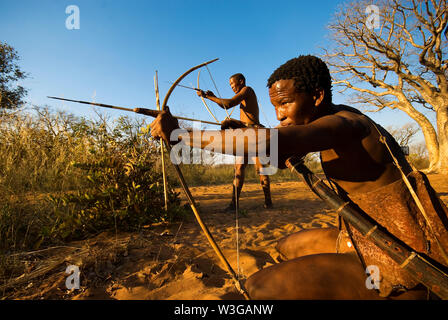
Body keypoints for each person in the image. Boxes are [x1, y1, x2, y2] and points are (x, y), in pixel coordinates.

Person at [150, 55, 448, 299]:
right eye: (275, 106)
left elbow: (271, 144)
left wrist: (181, 135)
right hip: (364, 236)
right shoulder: (333, 118)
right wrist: (244, 134)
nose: (279, 115)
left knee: (258, 288)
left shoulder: (345, 125)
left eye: (285, 103)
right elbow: (279, 152)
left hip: (400, 262)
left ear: (317, 96)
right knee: (286, 246)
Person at [197, 73, 273, 211]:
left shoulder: (247, 90)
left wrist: (208, 96)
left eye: (233, 84)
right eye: (230, 85)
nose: (232, 87)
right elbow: (243, 120)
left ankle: (268, 202)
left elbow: (228, 104)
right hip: (245, 135)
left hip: (255, 134)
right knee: (238, 168)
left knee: (261, 169)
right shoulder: (243, 95)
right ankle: (234, 204)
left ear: (241, 81)